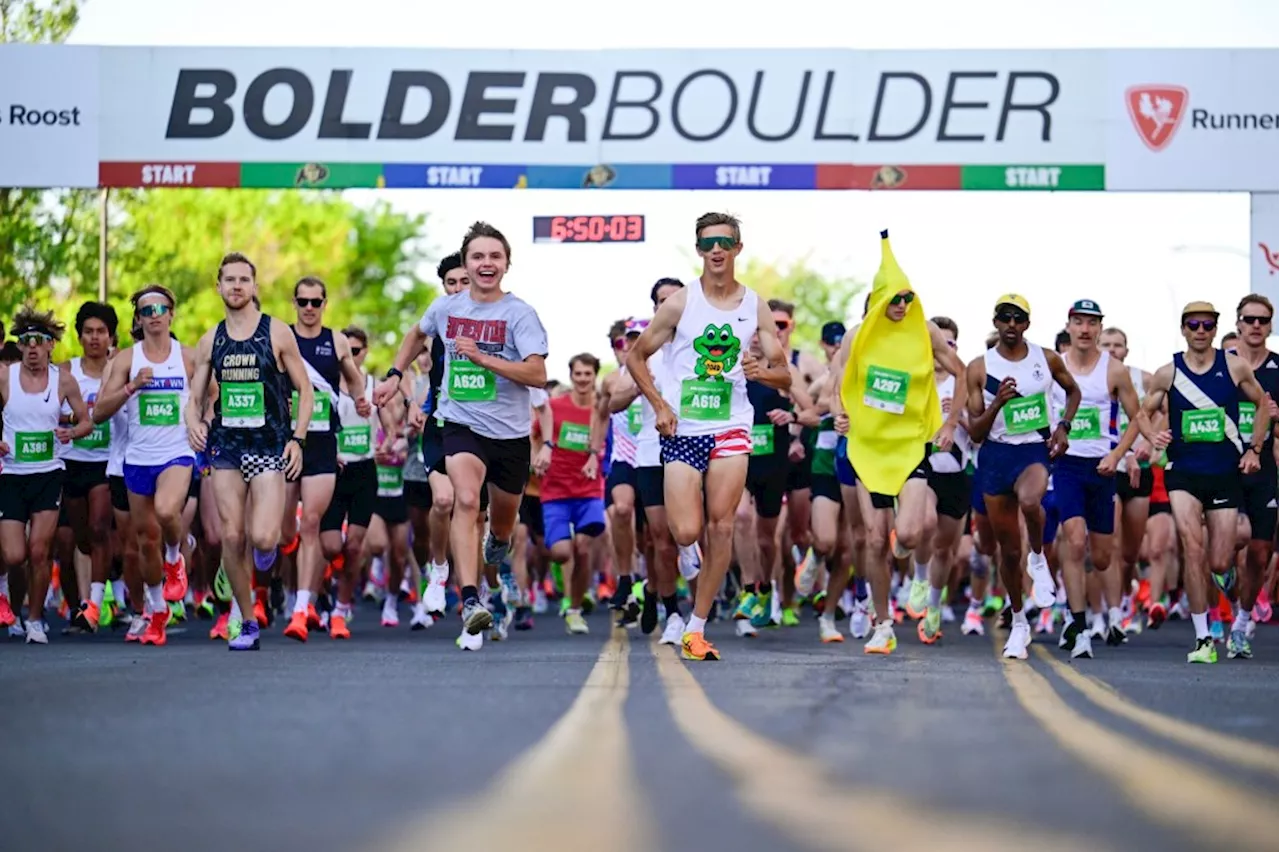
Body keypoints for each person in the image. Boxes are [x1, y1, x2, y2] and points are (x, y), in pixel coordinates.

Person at [626, 212, 791, 662]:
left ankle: (696, 627)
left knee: (723, 524)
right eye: (707, 243)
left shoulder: (754, 305)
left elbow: (785, 375)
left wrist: (765, 372)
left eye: (724, 242)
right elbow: (637, 357)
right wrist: (660, 405)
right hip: (683, 428)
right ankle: (687, 557)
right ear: (699, 250)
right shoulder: (680, 303)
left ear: (738, 248)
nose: (716, 250)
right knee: (686, 530)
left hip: (732, 426)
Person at [375, 222, 548, 644]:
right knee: (465, 500)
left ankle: (497, 546)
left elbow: (538, 374)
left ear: (506, 264)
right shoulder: (447, 308)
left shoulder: (519, 314)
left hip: (508, 436)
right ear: (466, 264)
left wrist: (486, 360)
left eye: (494, 257)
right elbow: (417, 334)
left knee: (502, 528)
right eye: (477, 257)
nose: (486, 264)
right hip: (461, 424)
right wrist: (396, 373)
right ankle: (470, 599)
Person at [829, 232, 969, 654]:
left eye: (908, 298)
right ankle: (883, 624)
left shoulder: (925, 331)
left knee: (910, 531)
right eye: (895, 299)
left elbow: (962, 372)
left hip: (910, 446)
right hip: (868, 448)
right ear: (878, 298)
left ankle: (914, 567)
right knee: (873, 539)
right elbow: (840, 381)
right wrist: (840, 411)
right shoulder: (858, 336)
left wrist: (949, 424)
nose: (902, 306)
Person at [186, 252, 314, 651]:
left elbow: (305, 390)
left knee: (262, 537)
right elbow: (193, 398)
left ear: (254, 287)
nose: (237, 286)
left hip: (269, 445)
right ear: (219, 286)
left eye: (244, 280)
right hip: (226, 446)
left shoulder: (276, 333)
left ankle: (266, 557)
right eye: (230, 280)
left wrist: (298, 438)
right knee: (230, 533)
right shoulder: (211, 339)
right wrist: (193, 423)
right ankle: (246, 620)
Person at [1136, 302, 1271, 663]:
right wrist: (1153, 437)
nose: (1200, 330)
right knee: (1191, 548)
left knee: (1219, 561)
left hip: (1225, 473)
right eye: (1193, 324)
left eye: (1207, 325)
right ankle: (1203, 639)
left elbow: (1263, 404)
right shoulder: (1169, 372)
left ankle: (1222, 581)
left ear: (1215, 329)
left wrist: (1255, 449)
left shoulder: (1234, 366)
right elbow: (1142, 413)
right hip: (1183, 473)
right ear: (1183, 329)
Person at [965, 294, 1081, 660]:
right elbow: (975, 432)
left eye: (1018, 318)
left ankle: (1039, 558)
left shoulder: (1045, 358)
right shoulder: (979, 367)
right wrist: (997, 401)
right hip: (996, 453)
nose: (1011, 324)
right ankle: (1018, 621)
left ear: (1027, 324)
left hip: (1033, 448)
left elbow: (1073, 391)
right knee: (1007, 551)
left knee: (1031, 501)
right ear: (996, 322)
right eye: (1005, 318)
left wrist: (1063, 427)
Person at [93, 287, 197, 646]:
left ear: (171, 314)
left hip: (177, 452)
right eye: (146, 309)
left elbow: (213, 395)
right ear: (138, 318)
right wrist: (131, 387)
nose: (154, 314)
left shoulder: (188, 357)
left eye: (161, 308)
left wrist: (203, 425)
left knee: (169, 511)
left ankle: (175, 559)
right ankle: (155, 611)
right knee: (144, 541)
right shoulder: (126, 359)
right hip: (137, 458)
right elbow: (98, 413)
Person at [1050, 300, 1143, 659]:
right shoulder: (1054, 366)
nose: (1085, 329)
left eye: (1092, 323)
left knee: (1102, 557)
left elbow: (1137, 417)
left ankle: (1103, 609)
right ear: (1069, 326)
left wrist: (1117, 456)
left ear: (1099, 329)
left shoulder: (1114, 370)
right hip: (1067, 464)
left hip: (1102, 467)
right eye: (1079, 322)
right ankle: (1078, 624)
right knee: (1073, 541)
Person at [280, 277, 370, 642]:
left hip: (321, 444)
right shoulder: (281, 336)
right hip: (286, 443)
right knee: (281, 533)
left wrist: (361, 399)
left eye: (316, 302)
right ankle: (279, 581)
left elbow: (354, 378)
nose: (309, 308)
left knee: (312, 525)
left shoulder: (335, 341)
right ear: (295, 302)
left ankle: (302, 608)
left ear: (325, 304)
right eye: (303, 301)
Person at [0, 307, 94, 643]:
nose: (33, 348)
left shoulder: (63, 380)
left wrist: (73, 432)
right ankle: (11, 604)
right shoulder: (5, 376)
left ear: (51, 345)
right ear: (20, 346)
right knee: (14, 554)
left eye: (40, 341)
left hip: (49, 473)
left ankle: (35, 620)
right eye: (26, 342)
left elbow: (86, 420)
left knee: (39, 551)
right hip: (11, 475)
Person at [57, 301, 119, 632]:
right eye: (88, 332)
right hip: (70, 462)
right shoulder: (66, 373)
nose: (95, 338)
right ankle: (78, 608)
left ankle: (94, 603)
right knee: (72, 542)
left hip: (105, 462)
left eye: (101, 332)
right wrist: (72, 418)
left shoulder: (118, 369)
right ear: (80, 336)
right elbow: (46, 412)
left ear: (111, 337)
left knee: (98, 528)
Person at [535, 353, 607, 634]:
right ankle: (563, 583)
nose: (582, 379)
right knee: (562, 553)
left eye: (588, 374)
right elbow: (534, 434)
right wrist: (536, 457)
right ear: (571, 375)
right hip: (555, 490)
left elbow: (607, 442)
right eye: (578, 374)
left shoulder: (600, 410)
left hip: (589, 490)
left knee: (584, 547)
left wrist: (596, 457)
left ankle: (575, 609)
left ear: (595, 376)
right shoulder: (554, 406)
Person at [1224, 295, 1280, 655]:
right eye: (1249, 319)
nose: (1256, 325)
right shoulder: (1220, 366)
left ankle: (1242, 623)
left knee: (1260, 554)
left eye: (1263, 320)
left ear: (1270, 326)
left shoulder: (1278, 368)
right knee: (1229, 541)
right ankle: (1222, 579)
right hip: (1222, 467)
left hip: (1263, 469)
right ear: (1239, 324)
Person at [319, 326, 380, 639]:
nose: (351, 357)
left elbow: (393, 424)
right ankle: (329, 580)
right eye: (346, 351)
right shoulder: (324, 383)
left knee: (355, 546)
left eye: (356, 351)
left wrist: (393, 439)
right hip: (332, 471)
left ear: (365, 351)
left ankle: (341, 609)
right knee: (331, 548)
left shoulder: (373, 387)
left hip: (364, 471)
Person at [596, 319, 644, 625]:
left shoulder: (665, 373)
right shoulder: (612, 380)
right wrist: (592, 452)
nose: (626, 347)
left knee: (654, 534)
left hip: (656, 456)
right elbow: (600, 415)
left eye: (635, 340)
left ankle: (647, 586)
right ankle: (625, 577)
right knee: (621, 512)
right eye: (621, 343)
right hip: (623, 457)